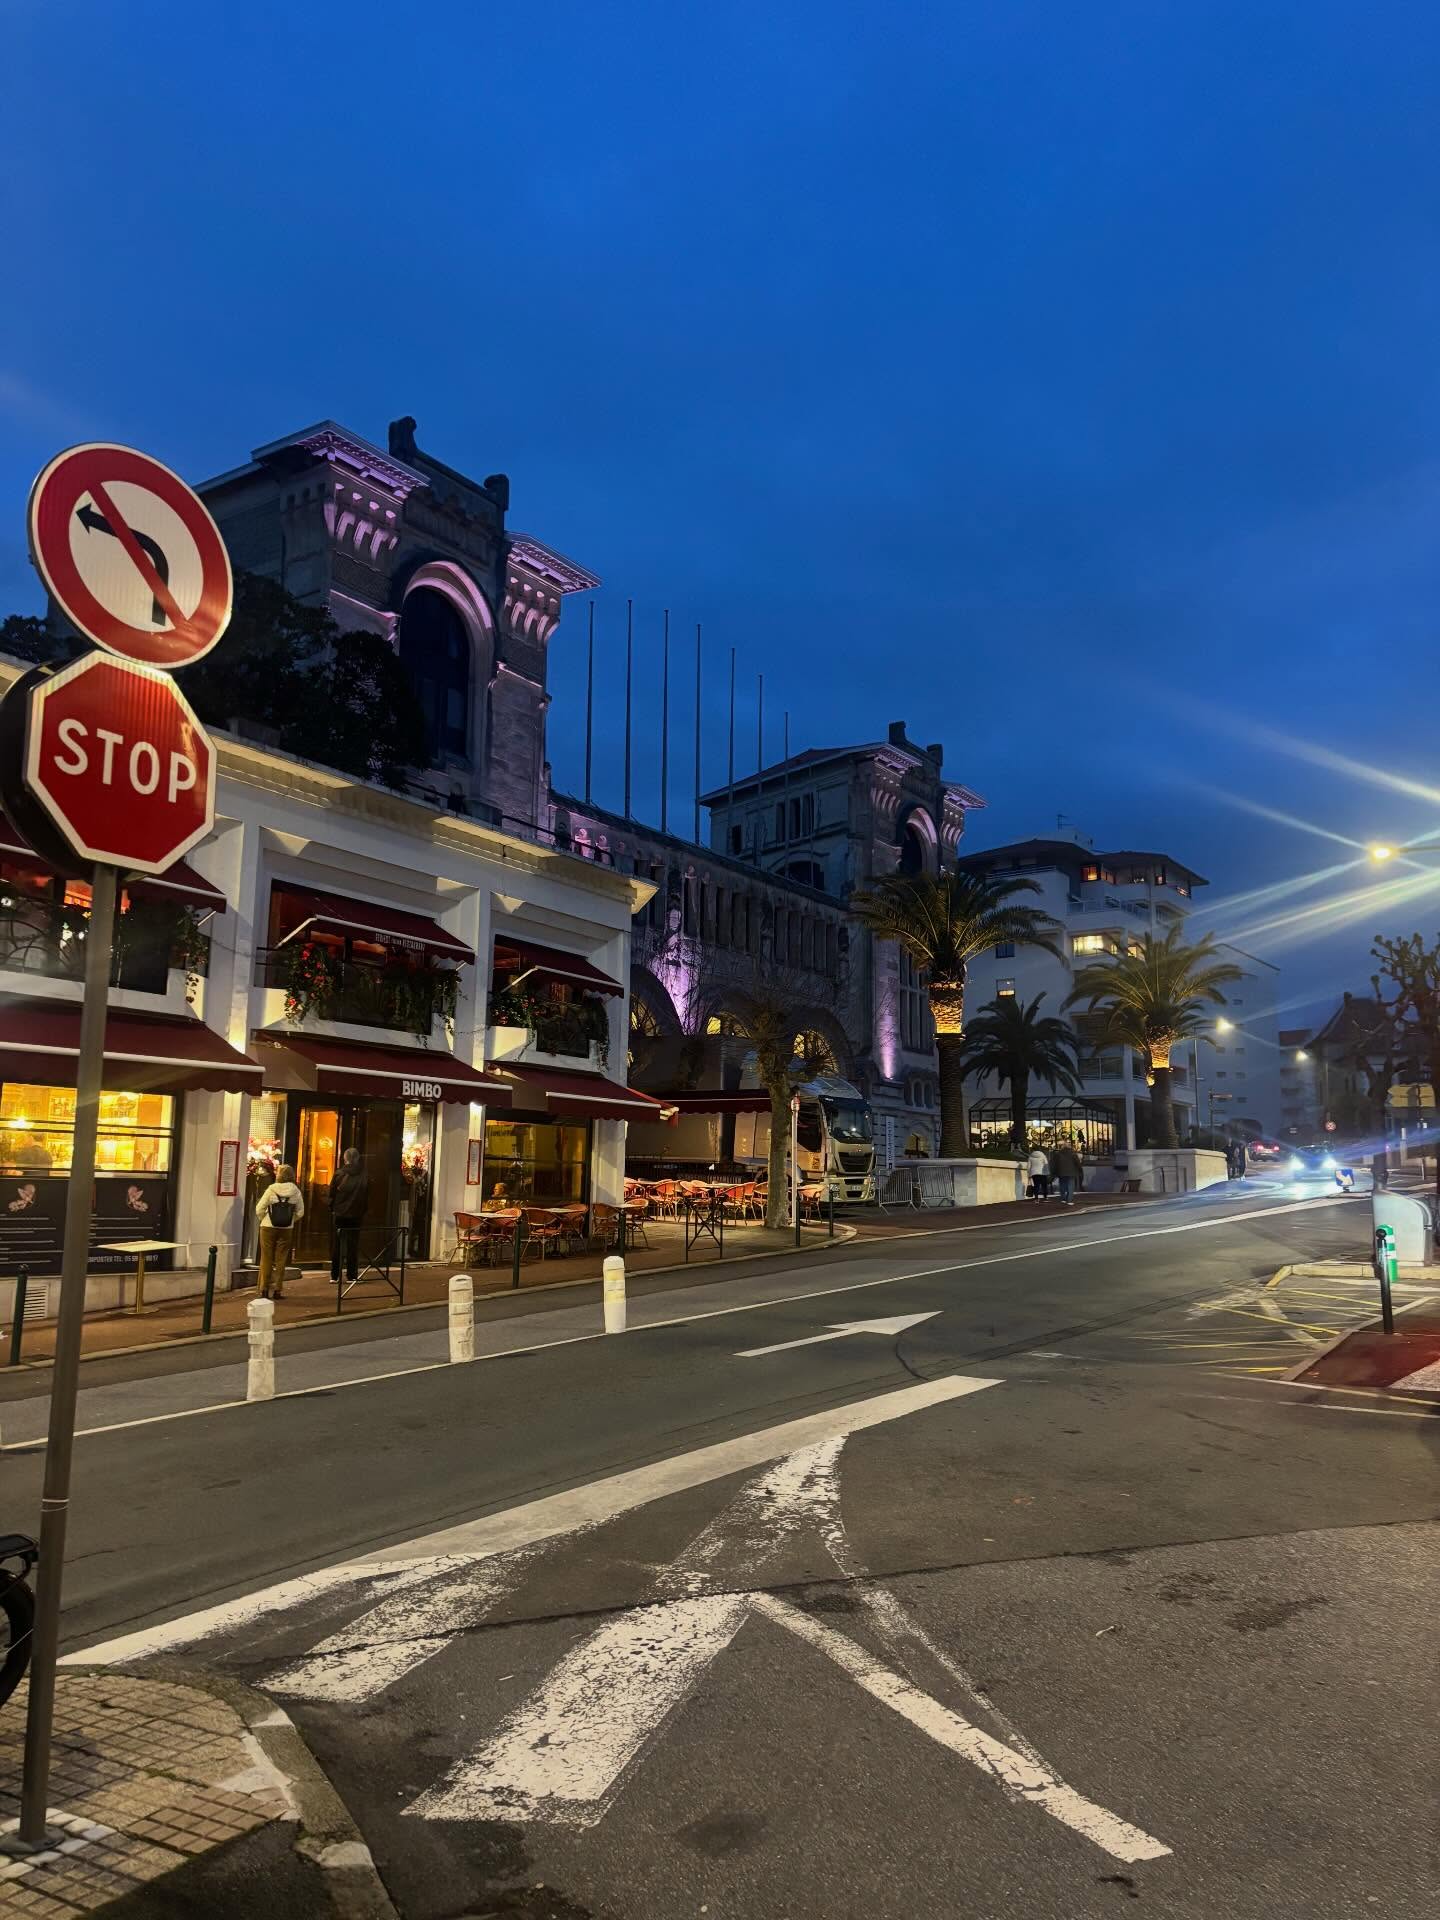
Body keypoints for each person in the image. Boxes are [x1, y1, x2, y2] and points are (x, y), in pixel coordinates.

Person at [255, 1162, 304, 1300]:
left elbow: (259, 1209)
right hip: (286, 1229)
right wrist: (290, 1220)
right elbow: (300, 1212)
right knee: (281, 1259)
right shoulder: (296, 1191)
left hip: (268, 1227)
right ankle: (277, 1290)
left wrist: (264, 1219)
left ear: (279, 1175)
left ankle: (264, 1290)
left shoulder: (271, 1189)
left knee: (266, 1257)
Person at [329, 1147, 369, 1286]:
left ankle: (334, 1275)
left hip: (340, 1213)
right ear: (357, 1158)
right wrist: (363, 1210)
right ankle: (351, 1275)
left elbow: (331, 1193)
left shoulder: (339, 1173)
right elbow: (366, 1194)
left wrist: (333, 1208)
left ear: (344, 1158)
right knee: (353, 1245)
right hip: (356, 1214)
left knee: (337, 1244)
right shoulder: (363, 1174)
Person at [1049, 1141, 1083, 1207]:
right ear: (1070, 1147)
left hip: (1061, 1172)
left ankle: (1063, 1199)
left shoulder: (1058, 1154)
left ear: (1062, 1147)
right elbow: (1077, 1163)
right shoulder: (1073, 1154)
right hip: (1071, 1172)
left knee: (1062, 1185)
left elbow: (1054, 1164)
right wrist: (1080, 1170)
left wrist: (1054, 1172)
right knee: (1070, 1186)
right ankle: (1069, 1200)